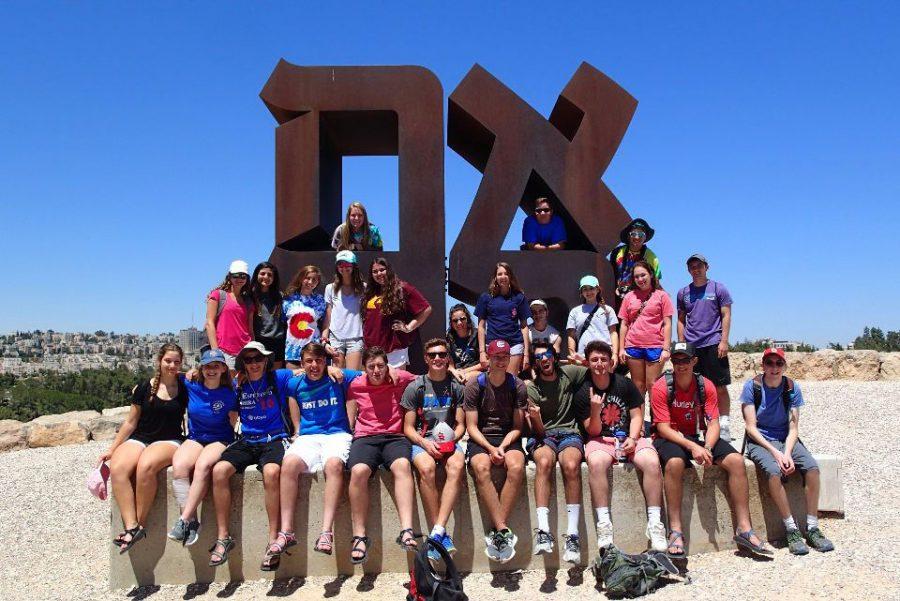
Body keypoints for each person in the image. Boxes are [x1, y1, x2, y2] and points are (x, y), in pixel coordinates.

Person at [651, 342, 772, 557]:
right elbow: (662, 427)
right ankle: (676, 530)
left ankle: (744, 528)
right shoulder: (662, 386)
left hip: (698, 436)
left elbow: (713, 422)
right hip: (672, 436)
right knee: (675, 463)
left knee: (736, 461)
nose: (681, 365)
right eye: (677, 360)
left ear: (694, 361)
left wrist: (706, 446)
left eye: (685, 360)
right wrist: (692, 446)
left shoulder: (705, 385)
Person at [208, 342, 297, 571]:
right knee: (218, 471)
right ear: (242, 364)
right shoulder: (237, 384)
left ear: (265, 360)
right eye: (248, 360)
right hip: (247, 440)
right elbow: (203, 382)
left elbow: (307, 370)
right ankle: (223, 537)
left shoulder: (279, 378)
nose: (254, 363)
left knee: (271, 472)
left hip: (274, 438)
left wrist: (337, 369)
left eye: (258, 358)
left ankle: (272, 540)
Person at [575, 340, 667, 552]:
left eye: (603, 359)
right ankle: (604, 524)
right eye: (594, 360)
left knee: (652, 462)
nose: (599, 364)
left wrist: (633, 438)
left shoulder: (624, 384)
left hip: (628, 437)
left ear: (611, 362)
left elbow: (636, 415)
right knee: (596, 463)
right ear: (588, 363)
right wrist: (595, 410)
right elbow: (593, 431)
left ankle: (655, 523)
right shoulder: (583, 391)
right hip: (601, 439)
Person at [741, 348, 834, 554]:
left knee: (812, 468)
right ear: (763, 365)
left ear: (784, 366)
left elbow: (793, 428)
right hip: (761, 441)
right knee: (774, 472)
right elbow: (750, 427)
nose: (774, 368)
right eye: (770, 363)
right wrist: (776, 453)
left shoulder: (791, 387)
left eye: (778, 364)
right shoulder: (752, 387)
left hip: (786, 439)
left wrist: (788, 452)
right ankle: (791, 528)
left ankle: (811, 526)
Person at [272, 342, 360, 557]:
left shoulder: (339, 377)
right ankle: (286, 531)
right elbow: (289, 396)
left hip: (337, 434)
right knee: (289, 464)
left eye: (319, 361)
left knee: (334, 466)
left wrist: (333, 367)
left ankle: (326, 532)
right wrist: (297, 429)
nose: (314, 365)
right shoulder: (294, 382)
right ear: (302, 364)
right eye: (309, 361)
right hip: (309, 436)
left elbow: (369, 372)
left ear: (326, 362)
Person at [101, 343, 188, 553]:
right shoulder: (143, 388)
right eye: (168, 361)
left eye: (176, 362)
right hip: (141, 437)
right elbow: (131, 421)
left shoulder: (185, 385)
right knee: (119, 468)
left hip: (170, 439)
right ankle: (131, 525)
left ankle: (140, 522)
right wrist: (113, 448)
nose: (172, 365)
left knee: (145, 466)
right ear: (159, 361)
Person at [345, 346, 419, 564]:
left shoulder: (400, 377)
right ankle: (359, 537)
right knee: (358, 471)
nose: (376, 370)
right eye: (371, 366)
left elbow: (428, 377)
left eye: (380, 365)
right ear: (364, 368)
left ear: (387, 365)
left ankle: (407, 531)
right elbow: (336, 372)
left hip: (394, 437)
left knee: (402, 466)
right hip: (365, 437)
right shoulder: (356, 383)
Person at [401, 338, 466, 561]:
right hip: (423, 441)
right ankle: (441, 533)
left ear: (448, 358)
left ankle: (437, 532)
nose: (437, 358)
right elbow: (408, 428)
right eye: (432, 355)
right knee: (427, 468)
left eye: (441, 354)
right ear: (426, 359)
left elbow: (460, 425)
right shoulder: (416, 386)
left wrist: (450, 442)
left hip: (449, 441)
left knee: (457, 465)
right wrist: (425, 443)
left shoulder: (456, 386)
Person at [525, 340, 590, 563]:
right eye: (539, 357)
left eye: (548, 354)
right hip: (544, 434)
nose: (544, 359)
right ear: (535, 362)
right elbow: (539, 430)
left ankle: (572, 535)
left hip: (570, 432)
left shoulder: (568, 373)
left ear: (554, 356)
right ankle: (543, 531)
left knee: (571, 466)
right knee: (543, 463)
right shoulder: (531, 388)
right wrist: (535, 418)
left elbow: (598, 369)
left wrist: (582, 360)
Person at [464, 339, 527, 563]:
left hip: (507, 437)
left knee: (517, 466)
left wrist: (501, 447)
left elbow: (518, 426)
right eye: (496, 357)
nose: (500, 361)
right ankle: (502, 530)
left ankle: (498, 532)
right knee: (481, 467)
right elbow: (471, 426)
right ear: (488, 359)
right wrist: (490, 448)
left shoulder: (517, 385)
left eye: (504, 357)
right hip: (482, 437)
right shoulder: (475, 385)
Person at [167, 348, 238, 546]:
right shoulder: (191, 383)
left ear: (223, 368)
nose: (211, 370)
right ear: (201, 368)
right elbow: (169, 375)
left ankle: (183, 520)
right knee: (179, 467)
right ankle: (191, 522)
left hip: (220, 438)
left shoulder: (231, 390)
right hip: (196, 436)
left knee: (203, 466)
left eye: (216, 366)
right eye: (207, 366)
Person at [677, 253, 734, 440]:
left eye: (699, 266)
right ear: (688, 270)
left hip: (713, 343)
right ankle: (701, 424)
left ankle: (724, 424)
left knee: (719, 386)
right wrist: (681, 344)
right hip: (693, 346)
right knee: (694, 388)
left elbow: (726, 314)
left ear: (706, 267)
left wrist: (724, 340)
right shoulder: (683, 293)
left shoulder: (719, 288)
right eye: (692, 266)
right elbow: (681, 320)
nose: (696, 269)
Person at [362, 257, 432, 369]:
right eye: (375, 271)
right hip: (371, 350)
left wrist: (409, 327)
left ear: (388, 270)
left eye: (382, 269)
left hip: (394, 350)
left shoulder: (402, 288)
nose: (379, 273)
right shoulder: (370, 292)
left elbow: (426, 309)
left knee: (396, 384)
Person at [618, 260, 673, 397]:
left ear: (651, 275)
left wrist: (666, 349)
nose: (640, 279)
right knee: (638, 385)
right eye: (636, 277)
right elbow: (624, 324)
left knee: (653, 384)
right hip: (633, 345)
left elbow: (667, 323)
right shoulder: (629, 297)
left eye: (643, 275)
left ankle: (657, 419)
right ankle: (638, 419)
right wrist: (621, 348)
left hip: (655, 345)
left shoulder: (662, 296)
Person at [475, 262, 531, 375]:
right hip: (493, 345)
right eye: (500, 274)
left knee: (510, 381)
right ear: (495, 277)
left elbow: (524, 326)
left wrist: (526, 354)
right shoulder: (486, 297)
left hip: (514, 344)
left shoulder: (519, 297)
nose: (503, 277)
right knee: (495, 380)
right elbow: (481, 327)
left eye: (506, 273)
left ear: (510, 276)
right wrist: (481, 352)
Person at [205, 260, 255, 370]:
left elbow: (250, 330)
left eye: (243, 276)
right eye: (236, 276)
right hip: (224, 351)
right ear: (230, 277)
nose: (239, 279)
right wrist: (216, 352)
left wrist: (253, 350)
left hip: (245, 351)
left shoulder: (248, 302)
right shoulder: (218, 295)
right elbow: (209, 323)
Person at [322, 250, 366, 370]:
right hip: (336, 338)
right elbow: (328, 315)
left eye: (347, 264)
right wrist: (324, 340)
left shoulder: (363, 287)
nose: (344, 267)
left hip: (356, 338)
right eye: (340, 264)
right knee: (337, 376)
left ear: (353, 266)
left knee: (352, 377)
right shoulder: (330, 288)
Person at [608, 218, 662, 310]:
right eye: (634, 234)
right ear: (629, 236)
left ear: (645, 238)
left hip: (640, 303)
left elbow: (655, 283)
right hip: (617, 301)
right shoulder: (617, 252)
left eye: (641, 234)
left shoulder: (652, 257)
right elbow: (609, 275)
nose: (637, 237)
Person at [566, 275, 619, 366]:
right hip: (583, 357)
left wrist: (615, 354)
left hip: (605, 356)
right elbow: (571, 335)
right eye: (585, 289)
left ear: (598, 290)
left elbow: (613, 332)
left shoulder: (608, 310)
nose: (588, 292)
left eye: (591, 288)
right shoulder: (575, 312)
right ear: (581, 292)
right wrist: (572, 353)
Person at [282, 265, 327, 368]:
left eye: (314, 280)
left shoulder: (319, 300)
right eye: (307, 278)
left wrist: (324, 342)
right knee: (293, 383)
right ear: (301, 278)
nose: (310, 282)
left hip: (313, 351)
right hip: (292, 352)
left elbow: (325, 324)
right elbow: (283, 322)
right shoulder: (289, 298)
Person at [250, 261, 286, 368]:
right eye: (262, 273)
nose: (266, 277)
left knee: (275, 375)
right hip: (258, 340)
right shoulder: (250, 295)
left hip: (277, 341)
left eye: (270, 275)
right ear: (256, 275)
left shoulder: (280, 296)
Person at [446, 303, 484, 383]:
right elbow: (450, 365)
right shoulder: (449, 338)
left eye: (462, 319)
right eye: (455, 320)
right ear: (451, 323)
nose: (459, 323)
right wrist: (455, 372)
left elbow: (485, 363)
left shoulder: (478, 335)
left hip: (476, 373)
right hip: (457, 374)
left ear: (468, 319)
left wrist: (464, 371)